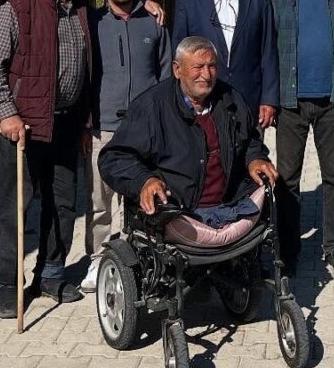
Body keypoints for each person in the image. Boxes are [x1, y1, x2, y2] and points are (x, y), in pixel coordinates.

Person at [0, 0, 91, 317]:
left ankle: (52, 274)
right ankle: (8, 284)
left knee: (62, 203)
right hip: (20, 129)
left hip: (65, 124)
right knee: (15, 209)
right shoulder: (17, 6)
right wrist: (7, 114)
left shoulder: (80, 6)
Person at [99, 37, 278, 240]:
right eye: (198, 67)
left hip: (229, 206)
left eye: (211, 66)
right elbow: (114, 157)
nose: (206, 75)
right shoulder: (151, 107)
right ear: (177, 70)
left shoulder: (230, 98)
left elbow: (249, 141)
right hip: (179, 212)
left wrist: (254, 158)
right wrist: (145, 180)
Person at [80, 0, 172, 293]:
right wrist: (85, 124)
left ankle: (142, 258)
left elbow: (166, 75)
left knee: (142, 197)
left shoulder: (154, 21)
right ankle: (98, 260)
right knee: (99, 199)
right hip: (102, 125)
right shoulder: (91, 23)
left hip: (145, 130)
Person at [271, 0, 334, 276]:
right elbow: (269, 48)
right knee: (287, 179)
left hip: (331, 101)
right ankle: (288, 250)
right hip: (290, 103)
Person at [172, 0, 280, 128]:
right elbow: (179, 51)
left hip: (250, 98)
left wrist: (269, 99)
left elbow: (268, 50)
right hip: (204, 98)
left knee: (250, 156)